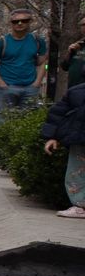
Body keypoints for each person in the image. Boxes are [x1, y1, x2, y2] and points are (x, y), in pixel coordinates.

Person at [0, 8, 47, 111]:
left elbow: (43, 63)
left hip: (30, 88)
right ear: (11, 23)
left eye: (24, 21)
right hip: (7, 87)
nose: (19, 23)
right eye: (15, 21)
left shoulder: (38, 41)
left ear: (30, 22)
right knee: (4, 122)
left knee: (28, 122)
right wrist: (2, 85)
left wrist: (37, 83)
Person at [44, 79, 85, 220]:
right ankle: (80, 205)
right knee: (76, 173)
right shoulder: (76, 92)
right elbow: (56, 114)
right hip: (80, 141)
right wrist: (52, 136)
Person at [61, 8, 85, 95]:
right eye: (83, 25)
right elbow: (64, 66)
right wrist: (70, 52)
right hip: (73, 89)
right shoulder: (78, 44)